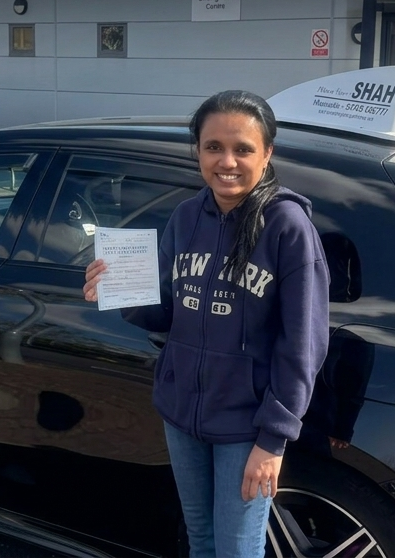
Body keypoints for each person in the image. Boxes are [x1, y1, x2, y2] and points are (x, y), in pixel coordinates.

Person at [83, 90, 330, 558]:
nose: (227, 161)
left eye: (243, 149)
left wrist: (273, 439)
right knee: (202, 543)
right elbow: (168, 314)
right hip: (183, 416)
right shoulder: (186, 217)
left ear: (268, 153)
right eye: (213, 147)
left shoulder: (288, 227)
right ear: (197, 150)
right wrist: (117, 293)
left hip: (247, 426)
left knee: (237, 551)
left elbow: (304, 345)